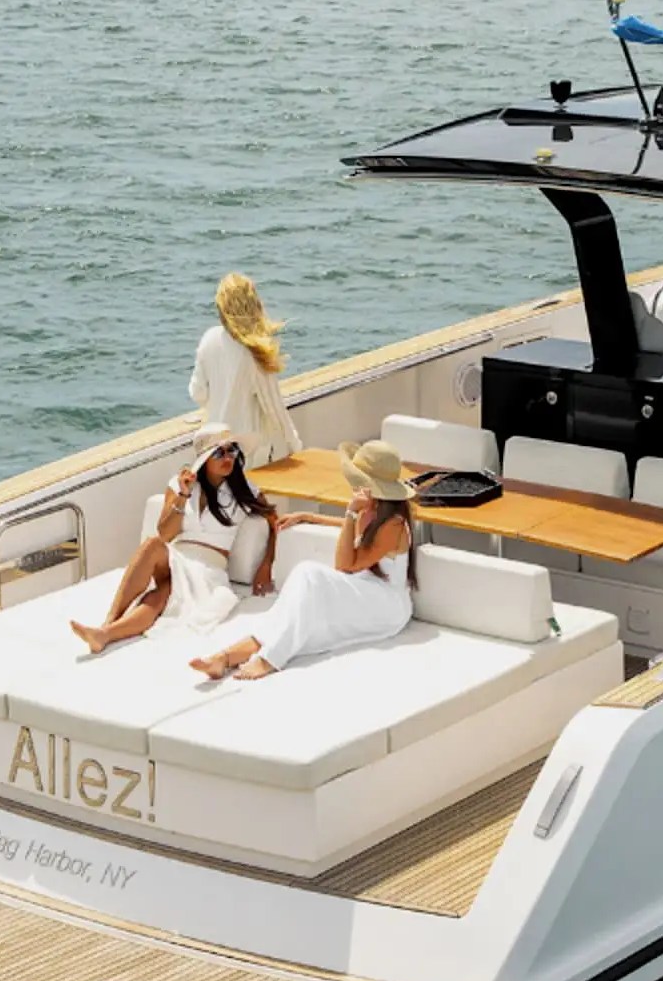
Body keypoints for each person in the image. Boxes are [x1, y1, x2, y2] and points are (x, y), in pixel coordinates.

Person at [190, 440, 417, 681]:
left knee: (309, 575)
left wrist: (351, 512)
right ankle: (225, 658)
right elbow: (355, 530)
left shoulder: (393, 523)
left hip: (385, 605)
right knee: (287, 614)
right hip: (364, 592)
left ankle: (270, 659)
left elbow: (345, 566)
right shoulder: (373, 512)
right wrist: (308, 516)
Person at [69, 423, 276, 654]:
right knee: (151, 545)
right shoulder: (180, 486)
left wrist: (266, 564)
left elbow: (274, 522)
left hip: (208, 569)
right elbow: (166, 534)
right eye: (218, 452)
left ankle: (105, 635)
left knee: (159, 598)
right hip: (176, 556)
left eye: (232, 450)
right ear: (205, 459)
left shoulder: (245, 489)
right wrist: (183, 495)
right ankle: (109, 621)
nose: (227, 457)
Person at [189, 273, 302, 465]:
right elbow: (275, 409)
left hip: (214, 450)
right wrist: (295, 447)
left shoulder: (209, 338)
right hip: (249, 453)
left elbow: (197, 393)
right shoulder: (255, 352)